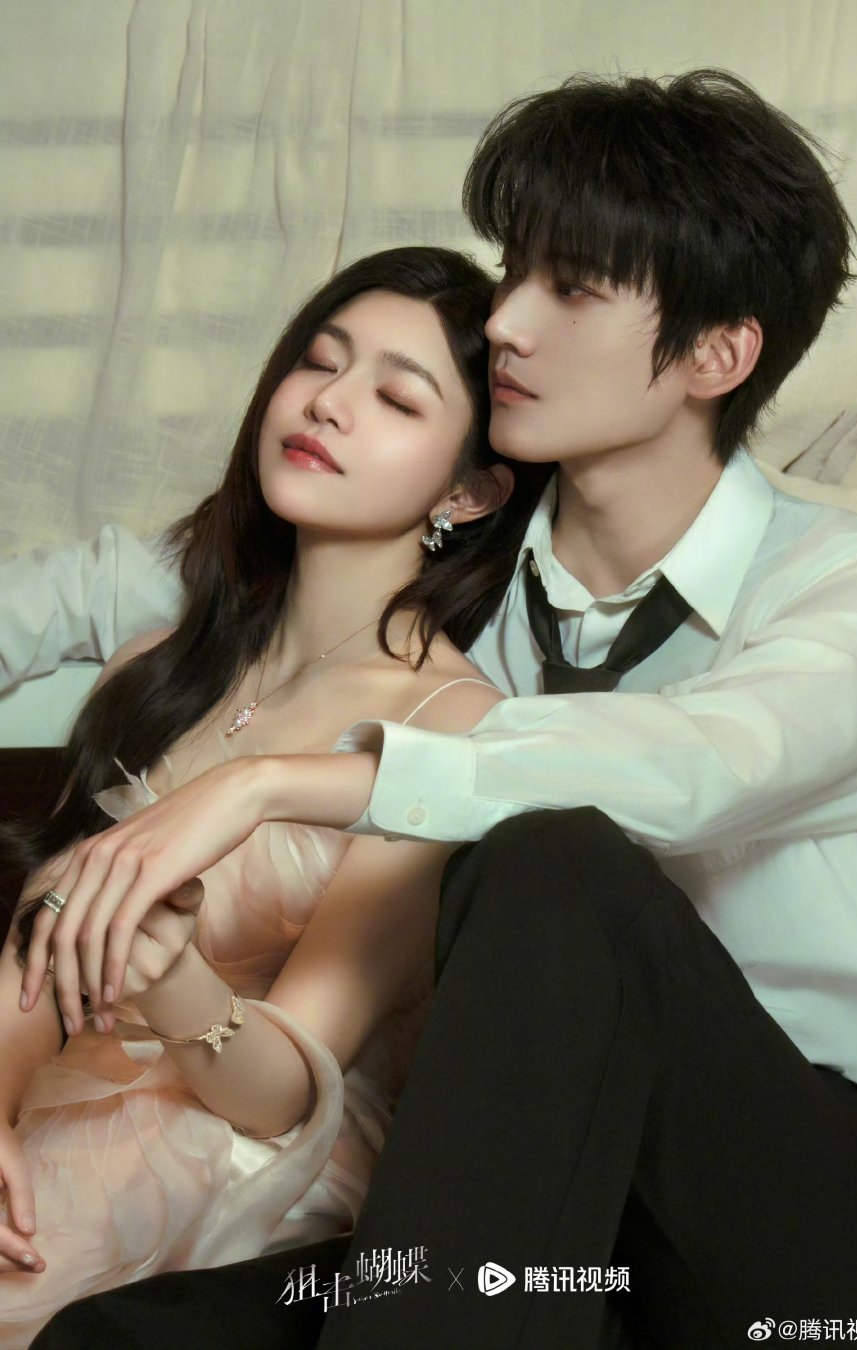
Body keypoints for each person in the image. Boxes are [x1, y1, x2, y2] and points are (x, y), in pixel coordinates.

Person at [11, 69, 857, 1348]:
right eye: (513, 270)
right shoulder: (448, 577)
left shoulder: (854, 593)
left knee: (554, 859)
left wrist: (267, 784)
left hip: (800, 1212)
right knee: (111, 1336)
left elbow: (703, 764)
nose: (509, 323)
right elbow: (180, 576)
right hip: (539, 1220)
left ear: (719, 354)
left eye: (569, 288)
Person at [0, 244, 554, 1346]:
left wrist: (171, 975)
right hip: (55, 1110)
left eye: (397, 397)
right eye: (319, 360)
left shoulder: (450, 728)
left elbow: (291, 1094)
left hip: (238, 1172)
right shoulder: (157, 668)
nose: (329, 403)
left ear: (468, 491)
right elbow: (35, 959)